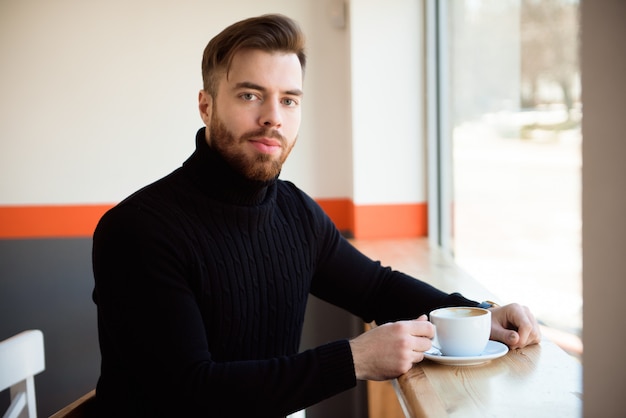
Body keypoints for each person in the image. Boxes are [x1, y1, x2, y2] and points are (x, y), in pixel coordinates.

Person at [92, 13, 541, 418]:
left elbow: (377, 287)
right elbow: (190, 393)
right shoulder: (138, 230)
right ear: (206, 105)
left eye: (289, 100)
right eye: (251, 95)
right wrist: (356, 359)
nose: (273, 117)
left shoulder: (293, 211)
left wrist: (480, 313)